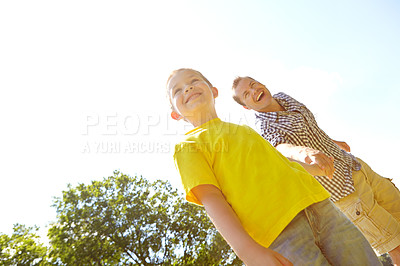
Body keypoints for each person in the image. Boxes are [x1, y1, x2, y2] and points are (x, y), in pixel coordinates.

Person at [167, 68, 381, 265]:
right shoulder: (187, 147)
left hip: (321, 206)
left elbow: (281, 163)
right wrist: (248, 251)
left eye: (194, 81)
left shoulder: (244, 130)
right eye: (177, 90)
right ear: (175, 114)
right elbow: (211, 199)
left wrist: (315, 168)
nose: (188, 87)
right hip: (280, 233)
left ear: (214, 91)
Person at [232, 75, 400, 264]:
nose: (254, 91)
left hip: (355, 167)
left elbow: (309, 126)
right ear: (246, 106)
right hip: (344, 192)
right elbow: (283, 149)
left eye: (253, 84)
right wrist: (308, 153)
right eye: (247, 94)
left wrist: (333, 142)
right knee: (395, 246)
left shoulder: (284, 98)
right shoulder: (265, 127)